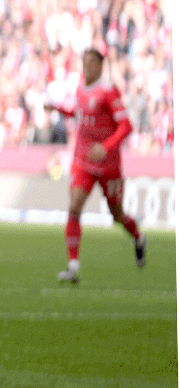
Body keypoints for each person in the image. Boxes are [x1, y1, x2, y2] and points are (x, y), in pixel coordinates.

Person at [44, 48, 145, 283]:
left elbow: (126, 126)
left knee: (116, 214)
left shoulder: (109, 91)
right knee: (74, 208)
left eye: (92, 62)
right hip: (83, 161)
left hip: (109, 165)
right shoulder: (80, 88)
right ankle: (73, 266)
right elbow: (78, 113)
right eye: (84, 62)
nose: (87, 66)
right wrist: (56, 108)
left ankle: (138, 238)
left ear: (101, 66)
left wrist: (105, 147)